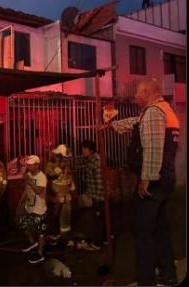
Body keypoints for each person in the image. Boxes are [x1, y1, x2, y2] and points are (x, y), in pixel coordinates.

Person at [103, 77, 180, 285]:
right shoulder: (164, 110)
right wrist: (111, 126)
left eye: (137, 93)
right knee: (160, 228)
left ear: (147, 92)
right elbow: (136, 123)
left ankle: (146, 280)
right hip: (165, 179)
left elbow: (153, 149)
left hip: (153, 182)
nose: (135, 97)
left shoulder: (154, 112)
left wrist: (146, 179)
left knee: (143, 232)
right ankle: (169, 274)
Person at [18, 155, 47, 264]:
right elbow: (27, 189)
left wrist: (29, 180)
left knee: (41, 232)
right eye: (28, 165)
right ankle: (32, 243)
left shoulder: (42, 177)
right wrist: (21, 201)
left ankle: (40, 253)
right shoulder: (29, 175)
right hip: (29, 207)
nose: (29, 167)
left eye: (31, 165)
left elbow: (39, 191)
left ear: (37, 165)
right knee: (23, 224)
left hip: (39, 209)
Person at [44, 144, 76, 242]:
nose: (67, 160)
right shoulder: (50, 164)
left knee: (66, 214)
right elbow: (49, 175)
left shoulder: (66, 165)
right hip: (55, 193)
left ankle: (65, 235)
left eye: (68, 158)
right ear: (58, 156)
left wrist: (72, 189)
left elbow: (69, 177)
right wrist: (60, 168)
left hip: (66, 193)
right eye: (65, 157)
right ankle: (53, 235)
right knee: (54, 214)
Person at [80, 140, 105, 249]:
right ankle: (104, 239)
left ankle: (98, 243)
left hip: (99, 195)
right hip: (95, 194)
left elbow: (100, 180)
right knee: (98, 218)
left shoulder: (95, 160)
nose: (82, 151)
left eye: (84, 148)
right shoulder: (90, 159)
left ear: (90, 150)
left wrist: (99, 197)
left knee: (98, 219)